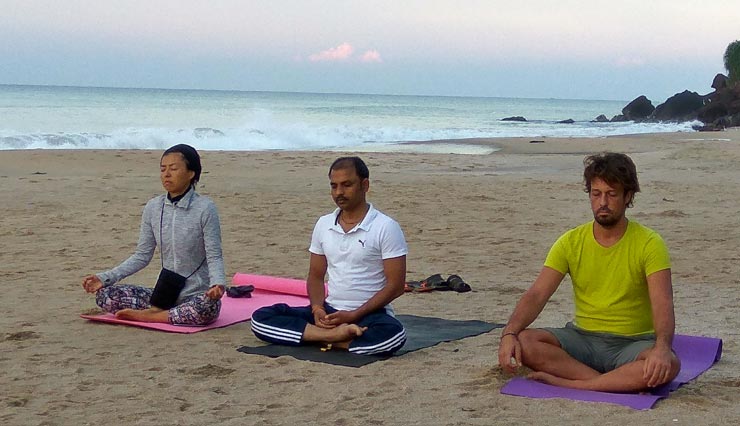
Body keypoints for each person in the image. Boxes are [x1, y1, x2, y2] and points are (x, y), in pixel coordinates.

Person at [498, 152, 681, 392]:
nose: (602, 202)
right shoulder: (570, 241)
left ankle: (572, 383)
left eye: (611, 194)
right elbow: (537, 294)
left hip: (632, 344)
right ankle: (607, 382)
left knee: (669, 365)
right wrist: (509, 333)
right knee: (526, 341)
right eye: (596, 194)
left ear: (628, 196)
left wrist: (662, 348)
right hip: (583, 339)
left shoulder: (649, 243)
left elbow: (662, 302)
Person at [251, 156, 408, 355]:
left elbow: (396, 285)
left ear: (364, 185)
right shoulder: (324, 224)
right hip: (329, 312)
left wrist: (354, 314)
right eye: (334, 186)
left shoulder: (385, 227)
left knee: (393, 336)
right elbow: (316, 276)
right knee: (261, 318)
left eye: (346, 185)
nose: (339, 192)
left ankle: (319, 337)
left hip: (369, 314)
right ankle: (332, 337)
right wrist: (317, 309)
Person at [81, 144, 225, 325]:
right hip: (164, 294)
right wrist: (105, 277)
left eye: (173, 169)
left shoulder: (205, 208)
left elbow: (214, 255)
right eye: (163, 169)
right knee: (105, 296)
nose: (166, 174)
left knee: (206, 308)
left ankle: (151, 316)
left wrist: (217, 285)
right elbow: (142, 256)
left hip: (196, 295)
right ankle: (164, 313)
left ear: (191, 173)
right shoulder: (153, 207)